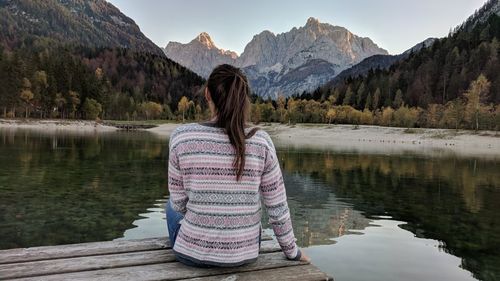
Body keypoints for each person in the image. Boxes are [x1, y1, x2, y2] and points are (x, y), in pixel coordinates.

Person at [166, 64, 310, 267]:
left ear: (208, 94)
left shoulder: (181, 137)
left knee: (170, 206)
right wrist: (293, 253)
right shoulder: (262, 141)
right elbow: (277, 209)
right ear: (244, 99)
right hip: (245, 254)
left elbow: (180, 205)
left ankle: (195, 239)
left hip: (191, 255)